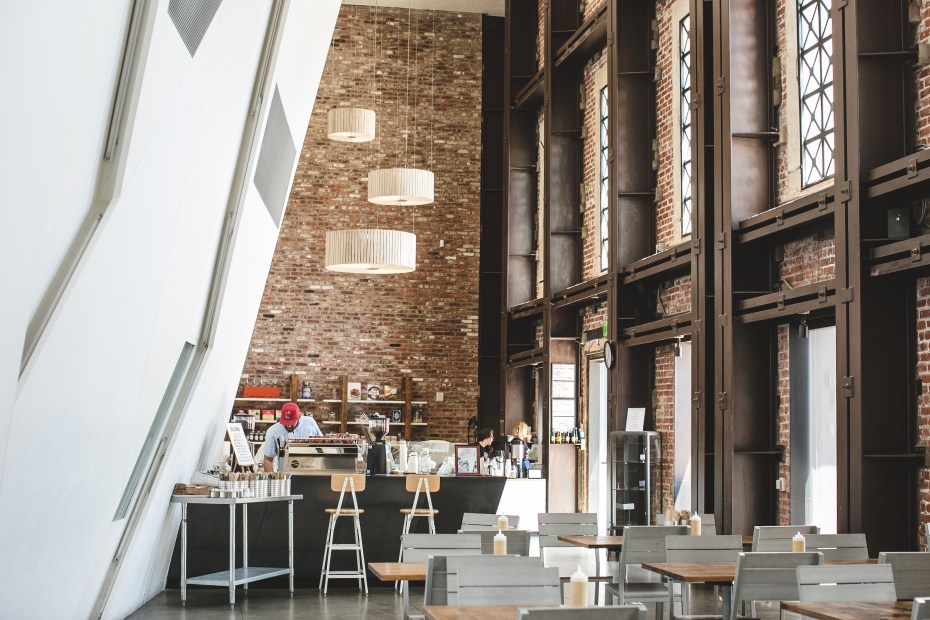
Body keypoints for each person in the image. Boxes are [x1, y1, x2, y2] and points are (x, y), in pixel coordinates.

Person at [262, 401, 322, 472]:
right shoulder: (272, 431)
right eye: (285, 422)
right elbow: (268, 460)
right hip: (284, 473)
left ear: (299, 416)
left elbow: (321, 444)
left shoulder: (310, 423)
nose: (288, 425)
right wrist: (272, 480)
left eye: (291, 422)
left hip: (311, 470)